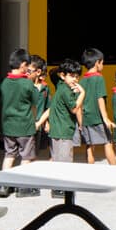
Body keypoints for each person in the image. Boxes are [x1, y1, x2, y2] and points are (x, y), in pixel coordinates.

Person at [0, 48, 39, 197]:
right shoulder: (26, 84)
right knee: (26, 156)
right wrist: (32, 81)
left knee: (9, 155)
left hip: (8, 126)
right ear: (23, 65)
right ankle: (23, 187)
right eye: (27, 65)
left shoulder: (4, 83)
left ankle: (4, 185)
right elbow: (35, 100)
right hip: (25, 126)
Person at [46, 59, 85, 197]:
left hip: (58, 129)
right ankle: (61, 188)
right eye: (72, 76)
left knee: (58, 158)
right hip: (63, 130)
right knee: (64, 160)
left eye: (77, 76)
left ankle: (58, 187)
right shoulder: (65, 90)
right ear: (63, 75)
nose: (75, 79)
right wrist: (82, 93)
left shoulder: (61, 87)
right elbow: (74, 108)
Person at [80, 47, 116, 164]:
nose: (103, 65)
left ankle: (90, 170)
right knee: (108, 142)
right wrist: (105, 118)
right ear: (97, 63)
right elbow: (100, 98)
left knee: (89, 145)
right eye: (102, 62)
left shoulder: (82, 80)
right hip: (97, 117)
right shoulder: (99, 78)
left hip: (86, 117)